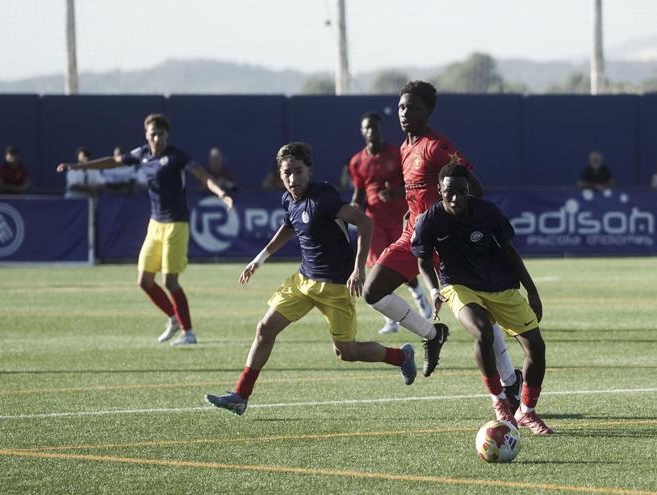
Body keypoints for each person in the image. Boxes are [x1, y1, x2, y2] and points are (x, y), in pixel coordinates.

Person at [204, 142, 416, 415]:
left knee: (346, 352)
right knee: (265, 329)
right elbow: (289, 226)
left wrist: (359, 268)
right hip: (303, 282)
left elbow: (365, 222)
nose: (293, 179)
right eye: (287, 173)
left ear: (309, 171)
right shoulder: (288, 199)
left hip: (336, 287)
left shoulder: (323, 196)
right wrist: (258, 260)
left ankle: (401, 356)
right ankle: (240, 395)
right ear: (280, 175)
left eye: (298, 172)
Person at [362, 81, 523, 409]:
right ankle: (432, 334)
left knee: (482, 319)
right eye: (401, 107)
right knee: (372, 290)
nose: (405, 113)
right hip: (416, 238)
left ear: (429, 111)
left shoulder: (437, 146)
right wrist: (412, 210)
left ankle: (510, 383)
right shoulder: (405, 148)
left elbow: (474, 189)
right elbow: (422, 191)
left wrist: (449, 218)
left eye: (413, 108)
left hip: (448, 240)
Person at [56, 113, 234, 345]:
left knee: (170, 282)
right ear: (146, 135)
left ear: (167, 135)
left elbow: (203, 176)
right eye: (153, 134)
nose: (157, 138)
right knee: (144, 281)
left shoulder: (176, 156)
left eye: (161, 134)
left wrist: (222, 195)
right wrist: (79, 167)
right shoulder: (141, 154)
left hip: (176, 224)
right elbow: (113, 160)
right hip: (155, 224)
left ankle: (188, 333)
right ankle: (173, 318)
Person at [412, 164, 552, 434]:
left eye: (462, 192)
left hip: (500, 285)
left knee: (536, 347)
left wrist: (531, 290)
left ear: (468, 191)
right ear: (439, 191)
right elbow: (423, 261)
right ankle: (500, 401)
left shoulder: (487, 212)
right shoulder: (430, 220)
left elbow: (510, 251)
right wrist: (433, 291)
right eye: (449, 192)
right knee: (483, 332)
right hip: (458, 286)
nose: (456, 199)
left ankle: (526, 412)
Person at [348, 111, 432, 334]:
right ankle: (391, 320)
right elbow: (359, 192)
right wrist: (354, 207)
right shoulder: (357, 161)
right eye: (366, 128)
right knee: (378, 268)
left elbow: (412, 182)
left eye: (374, 127)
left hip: (399, 217)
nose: (370, 131)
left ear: (380, 129)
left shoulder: (396, 154)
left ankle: (420, 298)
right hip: (373, 221)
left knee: (401, 267)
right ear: (361, 131)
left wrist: (395, 193)